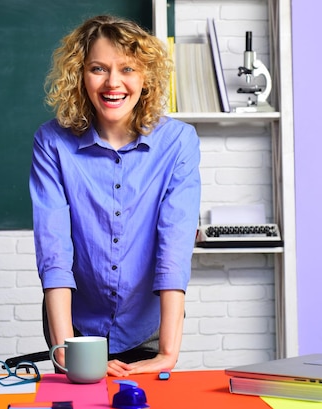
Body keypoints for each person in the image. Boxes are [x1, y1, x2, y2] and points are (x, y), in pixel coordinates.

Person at [29, 15, 201, 377]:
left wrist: (168, 354)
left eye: (127, 69)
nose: (113, 83)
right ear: (79, 76)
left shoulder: (179, 142)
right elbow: (54, 251)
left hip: (149, 329)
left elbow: (174, 245)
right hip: (75, 329)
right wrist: (63, 353)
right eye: (97, 68)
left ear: (146, 78)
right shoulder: (52, 143)